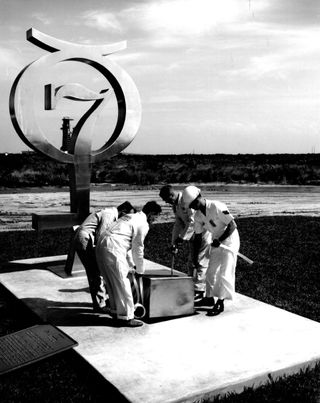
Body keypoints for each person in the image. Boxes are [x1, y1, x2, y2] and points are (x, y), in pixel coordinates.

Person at [95, 201, 162, 327]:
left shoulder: (132, 217)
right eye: (156, 217)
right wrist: (140, 270)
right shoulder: (143, 223)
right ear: (151, 213)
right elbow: (138, 248)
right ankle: (126, 317)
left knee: (111, 281)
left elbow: (127, 244)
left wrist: (131, 264)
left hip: (102, 243)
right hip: (114, 246)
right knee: (122, 282)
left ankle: (116, 312)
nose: (155, 220)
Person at [182, 186, 240, 316]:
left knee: (225, 272)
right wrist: (195, 257)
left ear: (199, 197)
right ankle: (208, 298)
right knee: (210, 271)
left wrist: (220, 240)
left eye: (194, 203)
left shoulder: (217, 206)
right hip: (216, 241)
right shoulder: (198, 216)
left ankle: (220, 302)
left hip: (230, 240)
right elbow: (197, 237)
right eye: (191, 205)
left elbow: (232, 225)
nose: (193, 207)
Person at [74, 201, 135, 313]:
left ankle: (100, 301)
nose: (126, 219)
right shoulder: (109, 215)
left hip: (84, 237)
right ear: (123, 211)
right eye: (127, 216)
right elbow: (101, 236)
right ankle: (100, 305)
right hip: (85, 239)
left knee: (95, 272)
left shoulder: (109, 212)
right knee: (95, 272)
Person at [159, 184, 211, 297]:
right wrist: (174, 242)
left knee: (200, 261)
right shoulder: (175, 206)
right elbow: (178, 223)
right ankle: (190, 286)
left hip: (202, 233)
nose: (166, 202)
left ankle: (199, 291)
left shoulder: (187, 200)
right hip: (192, 236)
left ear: (171, 195)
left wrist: (181, 238)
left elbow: (192, 222)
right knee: (191, 262)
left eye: (166, 199)